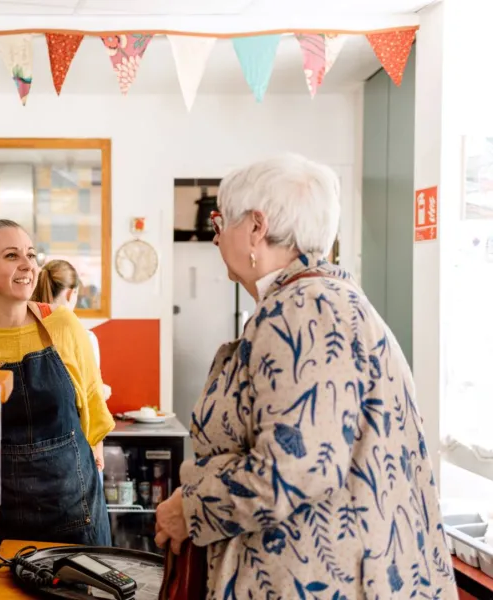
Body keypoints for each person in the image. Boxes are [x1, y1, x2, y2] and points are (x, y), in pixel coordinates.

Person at [154, 155, 456, 599]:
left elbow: (296, 467)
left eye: (220, 222)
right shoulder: (315, 299)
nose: (215, 237)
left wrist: (191, 507)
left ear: (256, 227)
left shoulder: (305, 307)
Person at [0, 219, 113, 546]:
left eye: (31, 255)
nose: (28, 265)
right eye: (12, 255)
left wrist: (96, 449)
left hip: (73, 507)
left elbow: (93, 403)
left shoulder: (63, 325)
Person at [31, 259, 108, 474]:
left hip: (30, 444)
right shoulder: (83, 337)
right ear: (70, 293)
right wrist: (98, 448)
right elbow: (92, 399)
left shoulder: (23, 333)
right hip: (73, 445)